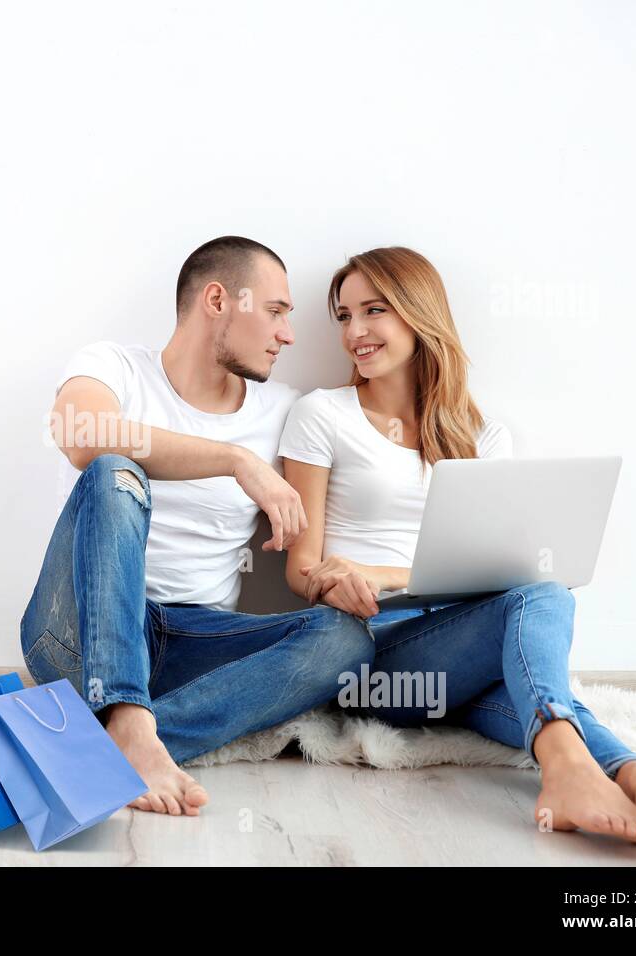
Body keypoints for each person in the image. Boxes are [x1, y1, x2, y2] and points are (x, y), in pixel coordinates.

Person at [279, 246, 636, 847]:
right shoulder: (321, 415)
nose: (355, 332)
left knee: (530, 639)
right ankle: (578, 773)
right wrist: (366, 578)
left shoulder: (481, 434)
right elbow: (301, 568)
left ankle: (629, 775)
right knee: (541, 592)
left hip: (464, 656)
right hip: (375, 651)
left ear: (419, 314)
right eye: (344, 315)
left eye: (374, 310)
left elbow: (498, 567)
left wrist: (389, 570)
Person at [20, 236, 374, 816]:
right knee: (115, 471)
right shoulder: (112, 366)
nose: (288, 333)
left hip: (189, 639)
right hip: (76, 633)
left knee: (344, 640)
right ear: (218, 299)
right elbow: (81, 435)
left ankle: (127, 736)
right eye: (276, 311)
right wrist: (235, 459)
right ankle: (128, 722)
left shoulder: (283, 409)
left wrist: (338, 577)